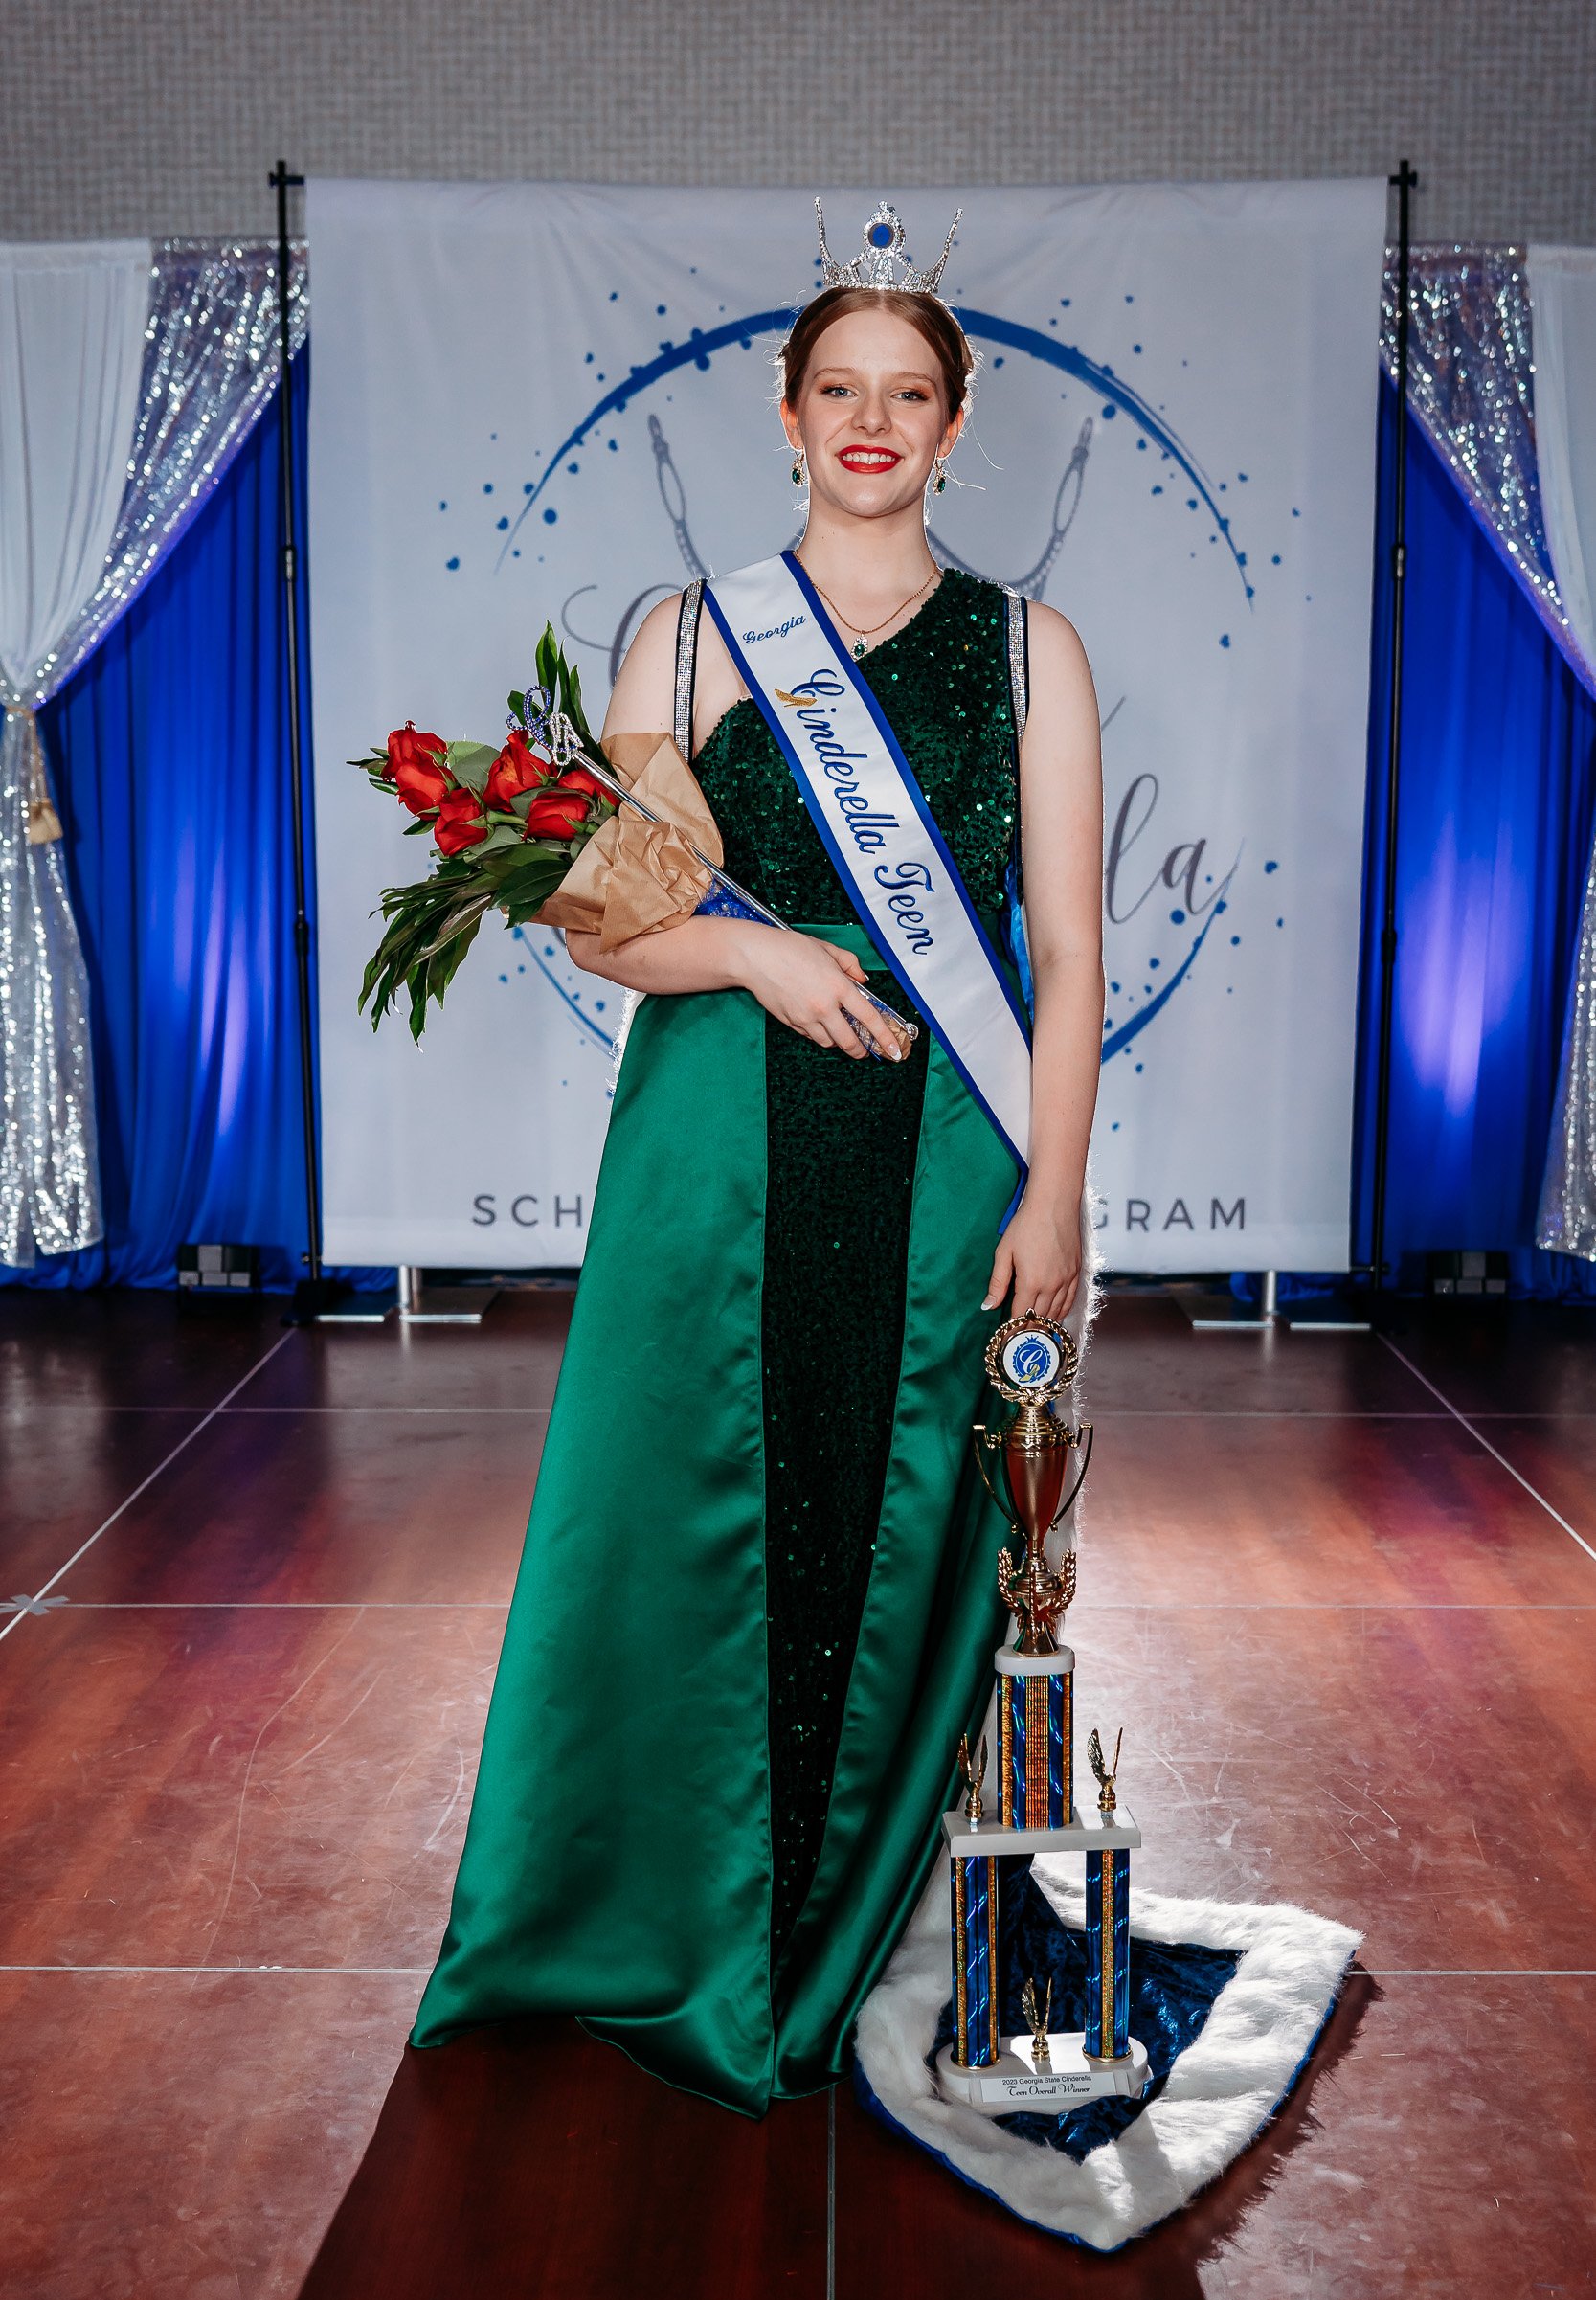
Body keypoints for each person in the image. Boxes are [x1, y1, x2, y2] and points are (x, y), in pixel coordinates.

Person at [411, 204, 1105, 2116]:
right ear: (782, 411)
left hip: (945, 1146)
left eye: (910, 394)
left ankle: (866, 1915)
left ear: (957, 428)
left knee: (920, 1533)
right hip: (717, 1145)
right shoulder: (688, 629)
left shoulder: (1035, 651)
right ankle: (682, 1915)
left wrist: (1059, 1187)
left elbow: (1066, 952)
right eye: (838, 389)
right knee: (700, 1520)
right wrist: (756, 948)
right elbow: (612, 917)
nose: (871, 422)